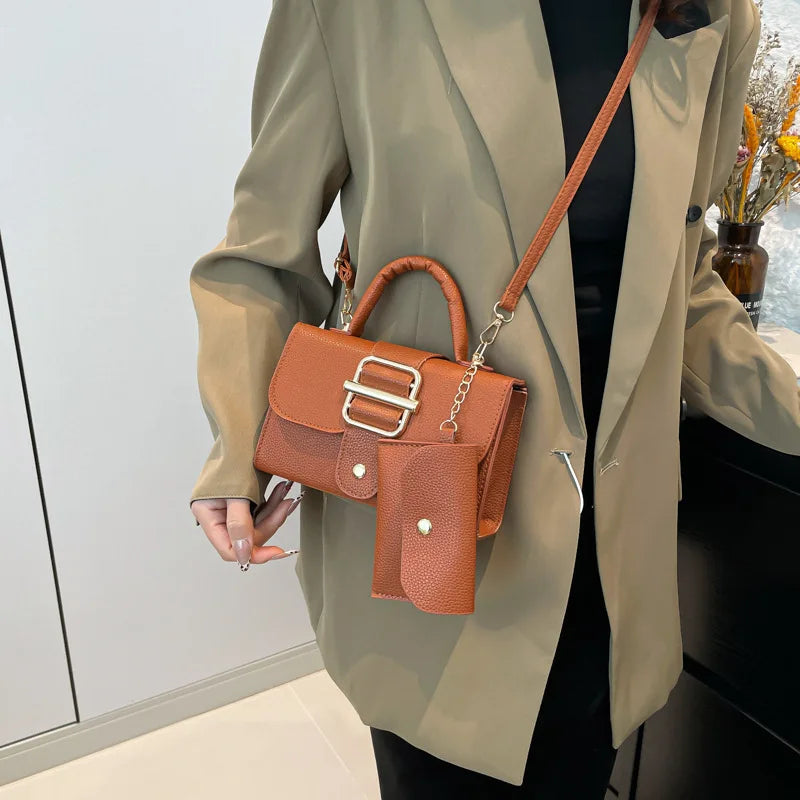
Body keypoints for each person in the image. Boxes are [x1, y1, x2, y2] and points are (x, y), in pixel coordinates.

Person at [189, 0, 800, 794]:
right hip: (436, 522)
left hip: (611, 558)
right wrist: (237, 445)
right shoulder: (360, 12)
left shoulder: (709, 14)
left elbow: (683, 287)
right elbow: (260, 257)